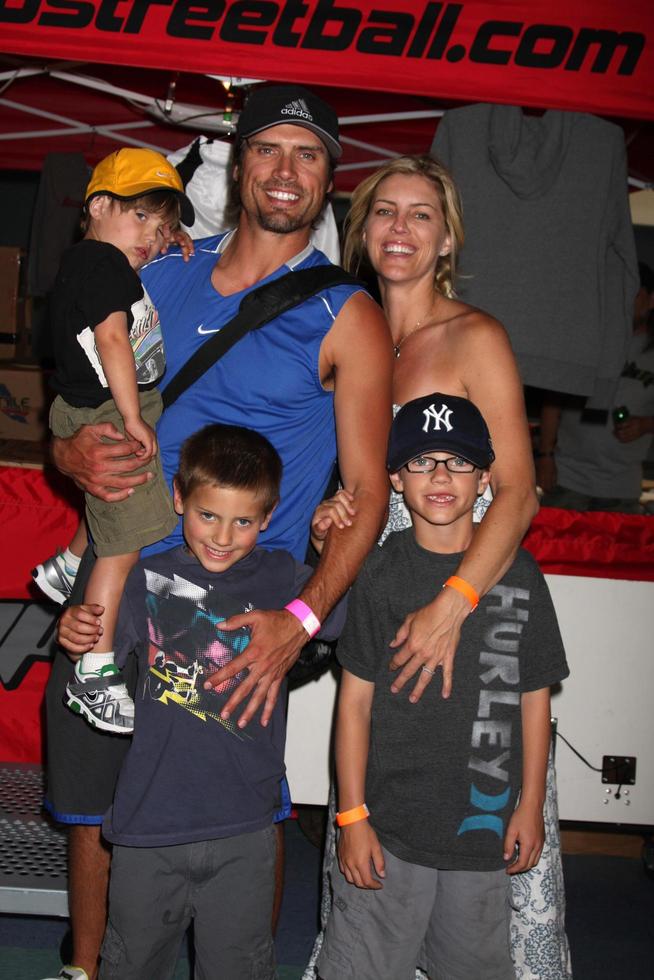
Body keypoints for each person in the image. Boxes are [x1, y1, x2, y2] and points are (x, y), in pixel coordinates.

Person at [45, 84, 391, 980]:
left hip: (243, 604)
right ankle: (88, 968)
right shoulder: (157, 271)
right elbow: (79, 406)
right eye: (269, 149)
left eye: (308, 154)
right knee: (97, 802)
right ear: (239, 166)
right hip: (122, 581)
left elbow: (370, 493)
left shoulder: (346, 313)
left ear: (329, 177)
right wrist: (69, 449)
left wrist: (302, 621)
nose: (286, 170)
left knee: (239, 814)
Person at [305, 156, 571, 980]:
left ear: (447, 237)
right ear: (362, 228)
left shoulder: (474, 336)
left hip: (476, 609)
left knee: (482, 825)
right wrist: (331, 517)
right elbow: (360, 483)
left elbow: (519, 493)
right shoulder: (348, 335)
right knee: (379, 833)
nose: (401, 229)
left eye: (423, 215)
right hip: (386, 601)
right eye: (385, 212)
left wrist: (457, 601)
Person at [314, 393, 569, 980]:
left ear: (485, 479)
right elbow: (352, 704)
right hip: (389, 826)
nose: (440, 476)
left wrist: (531, 806)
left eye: (457, 463)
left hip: (480, 833)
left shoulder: (520, 573)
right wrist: (350, 818)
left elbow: (535, 700)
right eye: (423, 461)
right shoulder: (378, 573)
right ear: (397, 479)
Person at [86, 423, 344, 978]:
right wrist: (76, 628)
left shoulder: (281, 576)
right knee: (130, 964)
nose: (224, 536)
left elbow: (345, 613)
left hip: (244, 827)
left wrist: (328, 550)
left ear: (269, 517)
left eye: (244, 521)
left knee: (240, 967)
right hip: (148, 823)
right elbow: (94, 645)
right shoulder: (142, 579)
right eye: (208, 515)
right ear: (179, 498)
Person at [33, 148, 194, 736]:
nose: (152, 238)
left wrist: (166, 241)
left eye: (164, 225)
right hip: (109, 406)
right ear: (99, 206)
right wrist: (133, 418)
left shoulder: (91, 261)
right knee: (126, 543)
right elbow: (113, 340)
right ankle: (94, 673)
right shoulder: (104, 265)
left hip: (85, 404)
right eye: (141, 218)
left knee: (113, 515)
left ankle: (66, 563)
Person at [537, 262, 654, 513]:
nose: (623, 301)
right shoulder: (585, 343)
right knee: (555, 550)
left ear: (650, 299)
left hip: (622, 486)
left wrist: (645, 424)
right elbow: (553, 400)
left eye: (633, 292)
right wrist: (545, 456)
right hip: (568, 477)